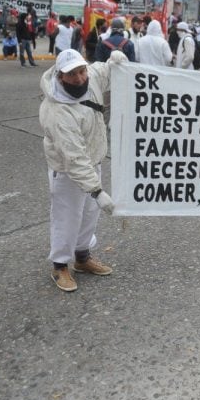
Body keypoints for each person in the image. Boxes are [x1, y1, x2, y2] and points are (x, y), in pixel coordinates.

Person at [39, 49, 126, 292]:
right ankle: (60, 265)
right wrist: (97, 192)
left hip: (93, 162)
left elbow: (105, 71)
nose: (79, 78)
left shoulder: (91, 77)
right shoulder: (57, 111)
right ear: (59, 76)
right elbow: (74, 158)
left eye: (81, 71)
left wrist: (115, 61)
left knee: (89, 216)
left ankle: (82, 258)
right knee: (67, 219)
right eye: (72, 75)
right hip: (67, 172)